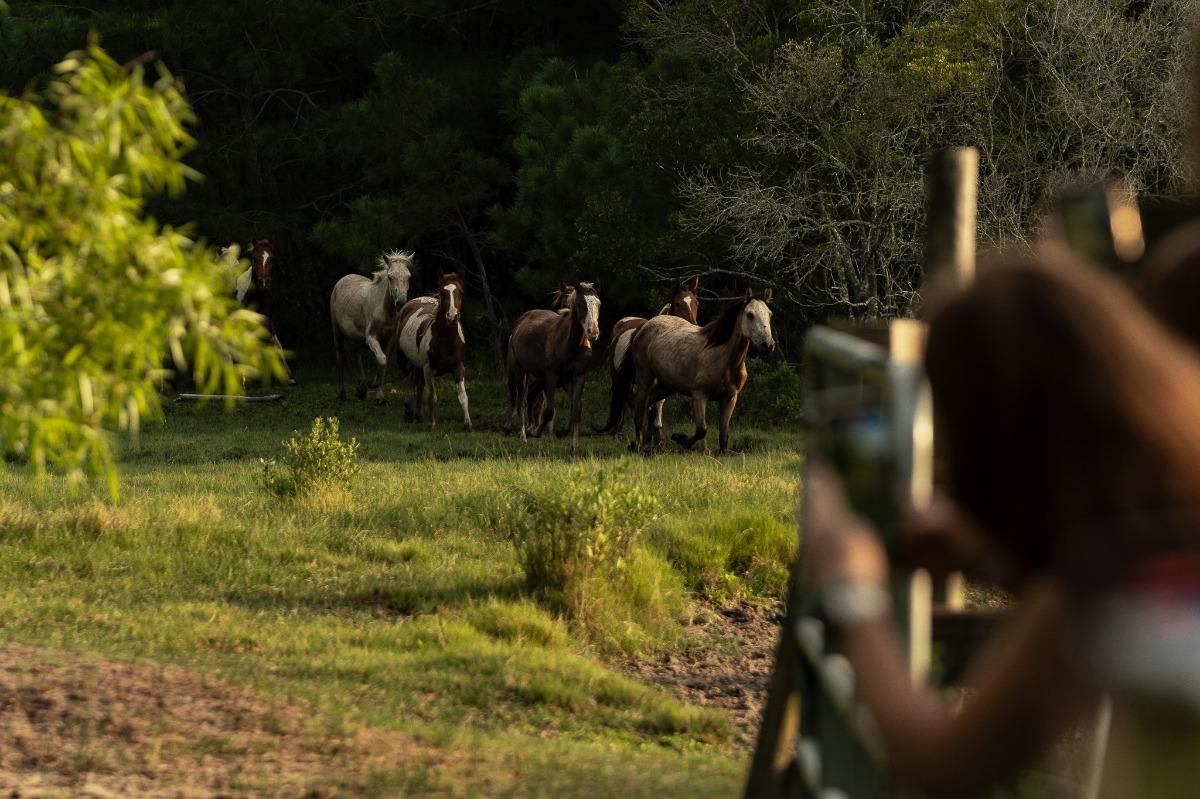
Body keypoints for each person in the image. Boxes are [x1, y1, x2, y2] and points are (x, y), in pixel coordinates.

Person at [803, 251, 1200, 797]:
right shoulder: (1158, 539)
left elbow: (941, 761)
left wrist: (850, 591)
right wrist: (982, 553)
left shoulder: (1099, 589)